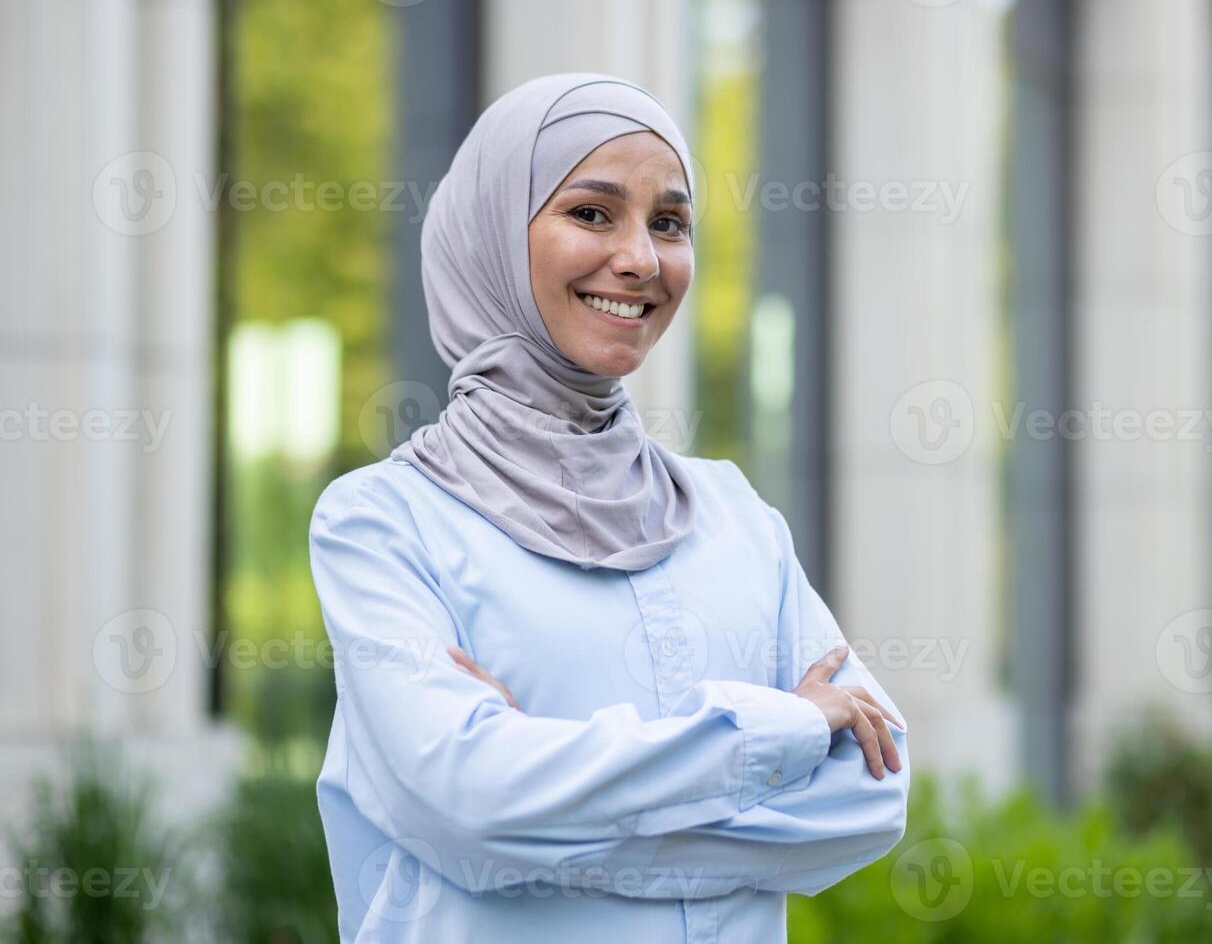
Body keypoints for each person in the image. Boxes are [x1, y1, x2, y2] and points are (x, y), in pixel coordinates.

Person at [307, 72, 910, 943]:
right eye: (592, 213)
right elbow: (472, 794)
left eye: (669, 222)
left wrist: (536, 823)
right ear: (492, 237)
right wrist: (780, 732)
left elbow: (871, 795)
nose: (640, 259)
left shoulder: (734, 515)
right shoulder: (385, 521)